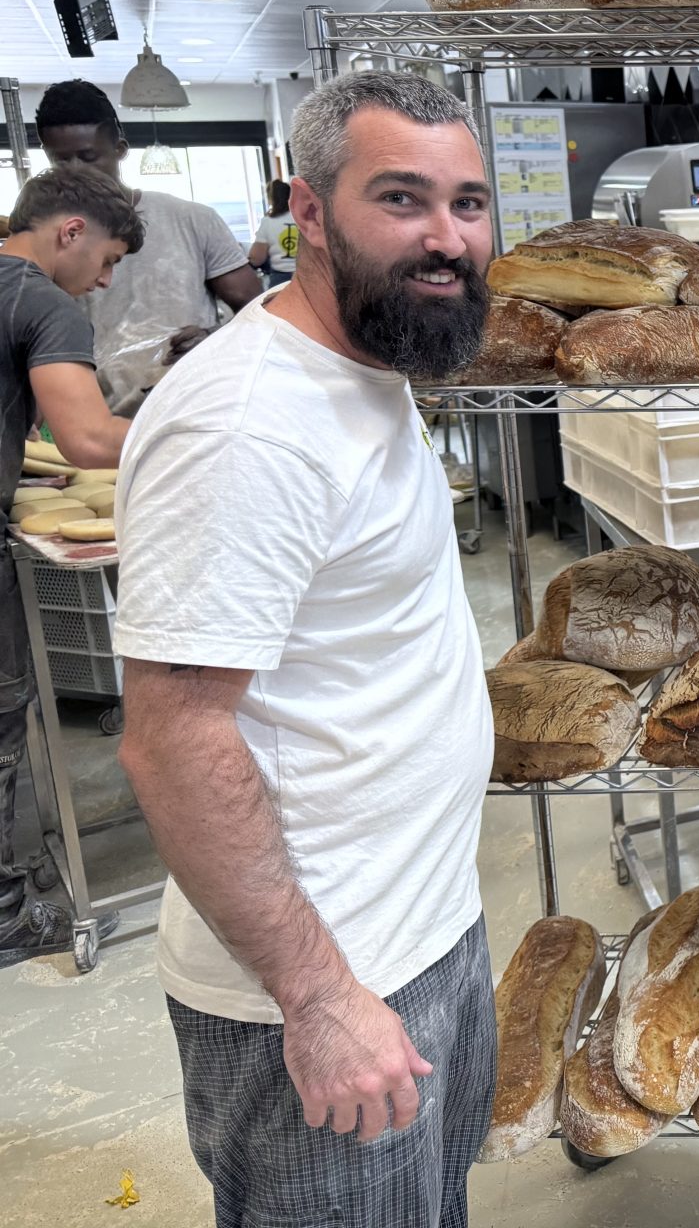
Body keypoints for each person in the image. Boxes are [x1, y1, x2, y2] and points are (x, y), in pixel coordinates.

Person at [116, 71, 497, 1227]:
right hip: (320, 988)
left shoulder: (369, 365)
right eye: (402, 199)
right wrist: (322, 1000)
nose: (447, 240)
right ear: (309, 212)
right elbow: (173, 737)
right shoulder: (246, 425)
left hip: (425, 930)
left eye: (470, 202)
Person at [0, 167, 140, 966]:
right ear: (71, 233)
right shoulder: (41, 299)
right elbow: (89, 440)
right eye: (111, 259)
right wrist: (200, 424)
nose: (107, 280)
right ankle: (7, 920)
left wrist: (21, 466)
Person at [32, 80, 263, 414]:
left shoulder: (191, 219)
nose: (75, 172)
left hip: (197, 404)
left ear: (121, 149)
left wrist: (213, 338)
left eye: (88, 157)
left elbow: (260, 312)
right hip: (100, 416)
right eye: (62, 161)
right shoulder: (44, 239)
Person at [249, 177, 299, 287]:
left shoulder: (268, 222)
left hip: (280, 280)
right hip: (306, 276)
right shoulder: (302, 218)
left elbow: (256, 258)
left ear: (271, 199)